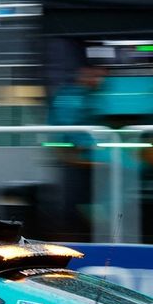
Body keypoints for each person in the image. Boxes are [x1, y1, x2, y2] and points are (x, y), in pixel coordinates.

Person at [47, 65, 106, 241]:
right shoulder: (72, 97)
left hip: (81, 158)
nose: (99, 81)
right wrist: (90, 146)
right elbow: (72, 129)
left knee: (83, 199)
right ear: (84, 74)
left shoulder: (86, 95)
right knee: (77, 199)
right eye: (96, 76)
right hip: (74, 158)